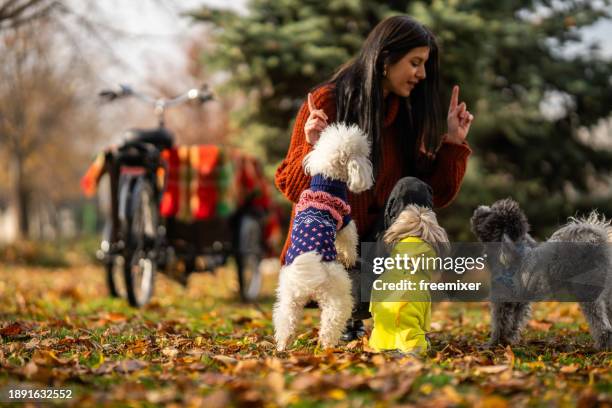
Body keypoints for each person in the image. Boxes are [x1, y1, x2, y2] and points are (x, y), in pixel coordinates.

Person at [275, 15, 474, 340]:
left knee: (412, 188)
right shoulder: (327, 102)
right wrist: (314, 148)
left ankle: (397, 317)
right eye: (415, 63)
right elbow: (292, 187)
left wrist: (453, 142)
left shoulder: (404, 116)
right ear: (385, 60)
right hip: (331, 265)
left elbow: (431, 195)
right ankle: (352, 314)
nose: (421, 74)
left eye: (424, 65)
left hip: (381, 263)